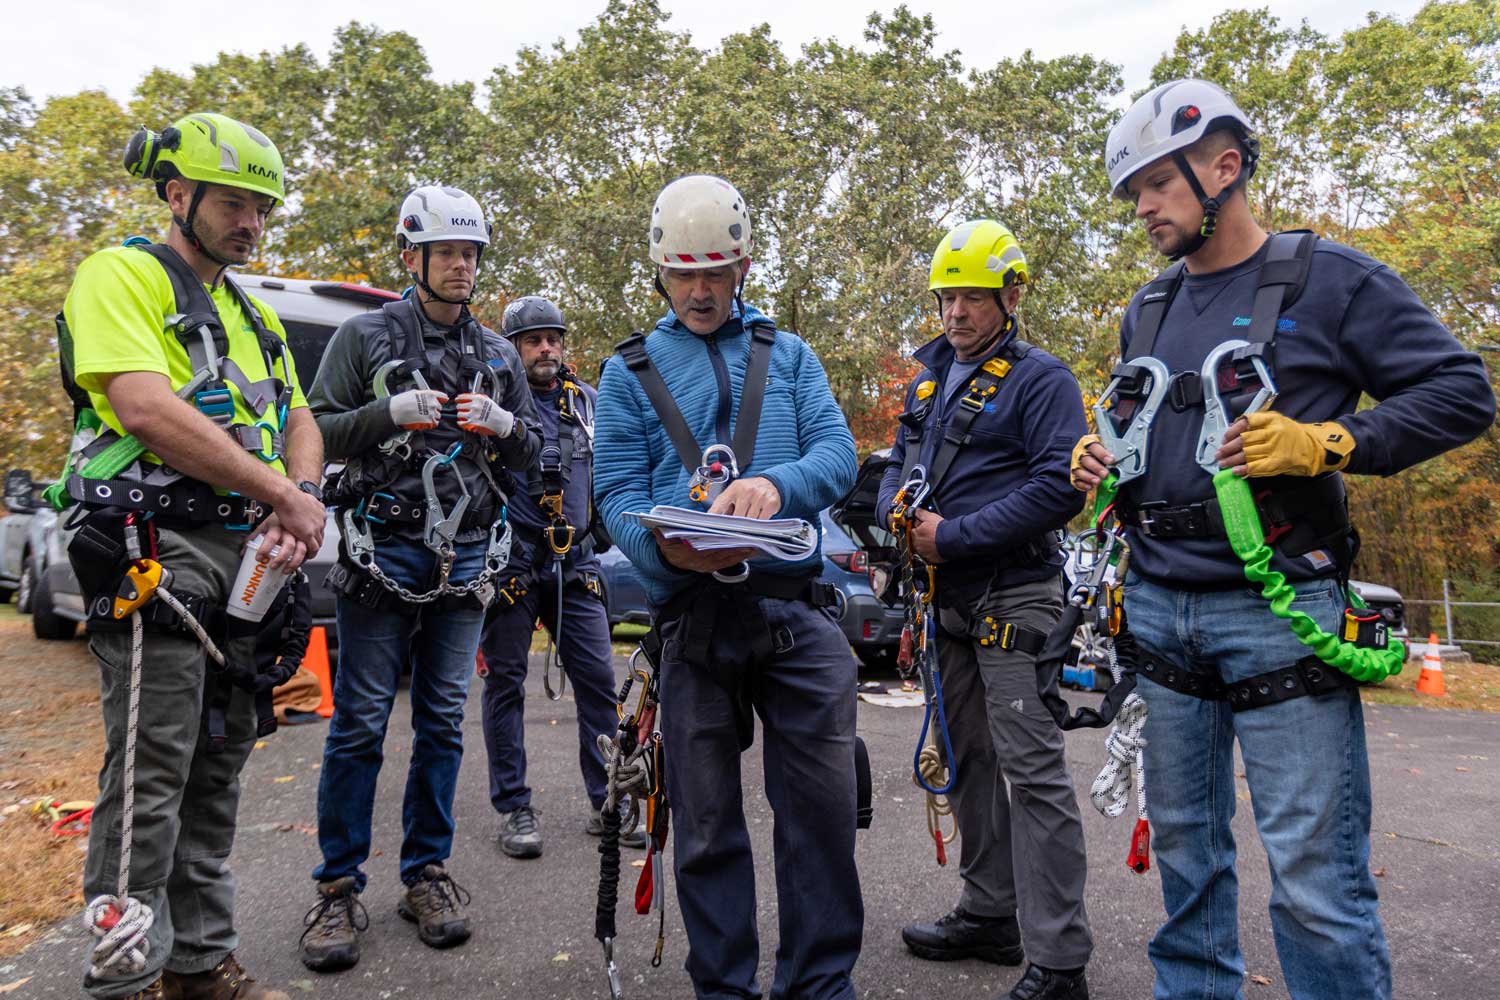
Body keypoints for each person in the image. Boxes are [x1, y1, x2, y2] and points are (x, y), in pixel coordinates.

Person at [1071, 79, 1495, 1000]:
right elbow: (1144, 429)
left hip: (1282, 608)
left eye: (1155, 183)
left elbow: (1463, 394)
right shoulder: (1146, 306)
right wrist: (1100, 459)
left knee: (1313, 880)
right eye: (1132, 191)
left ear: (1224, 166)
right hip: (1158, 602)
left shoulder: (1332, 280)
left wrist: (1331, 441)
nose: (1141, 206)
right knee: (1186, 860)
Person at [59, 112, 327, 1000]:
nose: (251, 221)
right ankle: (124, 974)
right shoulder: (122, 275)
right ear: (179, 194)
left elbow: (298, 416)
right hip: (154, 546)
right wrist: (280, 493)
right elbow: (141, 404)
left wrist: (303, 497)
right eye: (235, 203)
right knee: (153, 765)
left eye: (263, 207)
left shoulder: (250, 312)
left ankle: (201, 965)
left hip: (245, 557)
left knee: (220, 756)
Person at [593, 174, 862, 1000]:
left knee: (819, 820)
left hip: (794, 611)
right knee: (706, 828)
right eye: (684, 273)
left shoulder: (791, 357)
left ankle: (818, 986)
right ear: (661, 271)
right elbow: (615, 497)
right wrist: (671, 553)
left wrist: (777, 489)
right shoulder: (628, 370)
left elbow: (839, 457)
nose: (701, 289)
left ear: (743, 263)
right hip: (695, 624)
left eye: (715, 270)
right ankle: (725, 990)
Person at [299, 185, 540, 972]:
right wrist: (387, 415)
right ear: (413, 257)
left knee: (441, 719)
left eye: (472, 255)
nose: (464, 268)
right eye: (449, 254)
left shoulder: (500, 354)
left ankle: (425, 874)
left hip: (468, 554)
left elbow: (535, 449)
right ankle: (337, 887)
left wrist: (506, 426)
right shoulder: (365, 337)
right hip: (382, 552)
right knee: (362, 719)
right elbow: (314, 429)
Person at [879, 220, 1093, 1000]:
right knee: (967, 763)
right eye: (947, 297)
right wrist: (896, 512)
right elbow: (899, 463)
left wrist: (954, 536)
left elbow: (1060, 487)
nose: (956, 313)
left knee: (1033, 773)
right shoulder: (929, 382)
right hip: (947, 602)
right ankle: (989, 911)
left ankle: (1061, 958)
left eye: (972, 297)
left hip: (1014, 594)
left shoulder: (1042, 381)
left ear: (1010, 295)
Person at [478, 295, 646, 858]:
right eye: (533, 340)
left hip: (576, 565)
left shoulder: (588, 405)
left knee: (600, 683)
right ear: (512, 349)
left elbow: (614, 472)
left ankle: (609, 800)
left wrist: (601, 534)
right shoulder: (493, 404)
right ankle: (514, 808)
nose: (546, 347)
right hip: (513, 566)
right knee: (505, 684)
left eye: (553, 338)